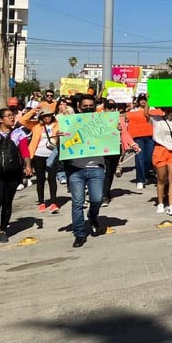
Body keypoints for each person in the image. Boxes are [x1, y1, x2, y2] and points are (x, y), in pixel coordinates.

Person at [0, 108, 32, 246]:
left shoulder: (19, 133)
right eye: (8, 116)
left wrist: (28, 165)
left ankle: (3, 230)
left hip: (13, 173)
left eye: (12, 115)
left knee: (7, 202)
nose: (12, 118)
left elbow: (25, 151)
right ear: (0, 120)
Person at [65, 94, 109, 248]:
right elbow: (65, 145)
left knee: (97, 199)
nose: (89, 108)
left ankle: (92, 215)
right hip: (76, 169)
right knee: (77, 203)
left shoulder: (102, 122)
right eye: (85, 106)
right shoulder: (70, 123)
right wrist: (60, 138)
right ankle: (79, 233)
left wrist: (115, 130)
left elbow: (111, 140)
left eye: (91, 105)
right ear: (79, 107)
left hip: (96, 168)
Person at [26, 105, 61, 214]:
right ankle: (41, 202)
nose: (46, 118)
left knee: (52, 178)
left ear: (52, 115)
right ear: (41, 117)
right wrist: (33, 111)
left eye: (48, 115)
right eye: (44, 116)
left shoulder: (57, 124)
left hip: (52, 155)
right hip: (38, 155)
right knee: (40, 179)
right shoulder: (36, 126)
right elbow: (23, 121)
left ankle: (53, 202)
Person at [151, 106, 172, 215]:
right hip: (160, 149)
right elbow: (145, 114)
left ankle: (171, 204)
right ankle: (160, 203)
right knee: (161, 179)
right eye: (168, 110)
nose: (170, 112)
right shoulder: (156, 119)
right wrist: (148, 100)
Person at [126, 94, 155, 190]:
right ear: (138, 101)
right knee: (139, 158)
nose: (143, 101)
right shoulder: (132, 111)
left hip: (151, 137)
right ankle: (140, 180)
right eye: (141, 100)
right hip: (138, 138)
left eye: (145, 99)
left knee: (149, 158)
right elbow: (127, 121)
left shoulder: (153, 109)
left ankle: (146, 174)